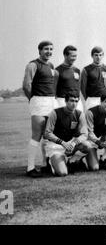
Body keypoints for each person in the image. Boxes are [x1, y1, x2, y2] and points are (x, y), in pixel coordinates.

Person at [22, 40, 57, 178]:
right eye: (46, 49)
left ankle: (46, 163)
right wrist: (33, 99)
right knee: (36, 135)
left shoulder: (51, 65)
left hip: (51, 102)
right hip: (38, 101)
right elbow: (26, 85)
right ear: (40, 50)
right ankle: (30, 167)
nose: (49, 51)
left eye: (51, 49)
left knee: (49, 135)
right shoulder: (32, 65)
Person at [44, 92, 94, 176]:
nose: (74, 104)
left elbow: (84, 134)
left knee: (87, 145)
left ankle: (71, 161)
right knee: (63, 173)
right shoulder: (55, 113)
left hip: (70, 145)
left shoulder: (80, 114)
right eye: (71, 101)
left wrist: (74, 143)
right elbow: (47, 133)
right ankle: (51, 161)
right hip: (56, 146)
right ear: (66, 101)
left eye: (76, 101)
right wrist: (62, 143)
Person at [85, 92, 106, 170]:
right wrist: (99, 142)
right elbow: (89, 133)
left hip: (103, 138)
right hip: (91, 141)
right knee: (94, 168)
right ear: (101, 101)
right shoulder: (90, 112)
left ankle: (104, 158)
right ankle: (78, 159)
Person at [55, 45, 83, 111]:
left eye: (75, 56)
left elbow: (79, 87)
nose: (74, 58)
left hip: (77, 102)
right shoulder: (57, 70)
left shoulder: (77, 70)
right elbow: (53, 89)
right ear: (65, 55)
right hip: (62, 102)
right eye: (72, 56)